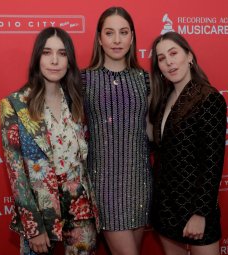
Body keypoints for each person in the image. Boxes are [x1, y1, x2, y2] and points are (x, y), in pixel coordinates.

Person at [0, 27, 99, 255]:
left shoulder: (77, 102)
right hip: (42, 214)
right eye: (47, 52)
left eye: (62, 54)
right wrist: (33, 227)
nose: (54, 61)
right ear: (37, 58)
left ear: (69, 61)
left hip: (81, 210)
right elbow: (17, 175)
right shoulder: (14, 105)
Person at [81, 7, 152, 255]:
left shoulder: (145, 78)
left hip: (140, 182)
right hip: (104, 185)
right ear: (99, 38)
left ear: (132, 36)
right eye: (109, 33)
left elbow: (152, 131)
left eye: (123, 33)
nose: (117, 40)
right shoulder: (84, 80)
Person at [149, 31, 227, 255]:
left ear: (189, 56)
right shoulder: (163, 99)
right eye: (162, 58)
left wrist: (200, 214)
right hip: (166, 207)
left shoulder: (209, 98)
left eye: (173, 53)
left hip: (196, 209)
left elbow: (212, 163)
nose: (169, 62)